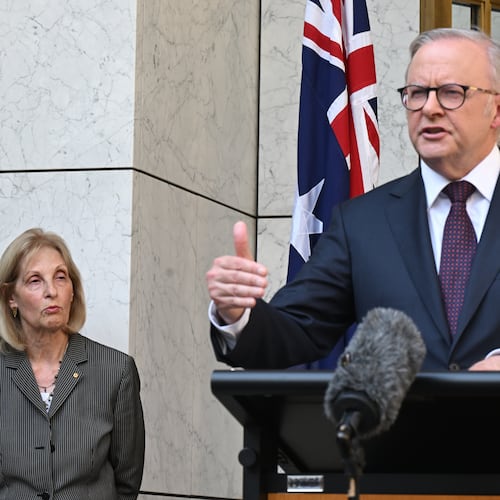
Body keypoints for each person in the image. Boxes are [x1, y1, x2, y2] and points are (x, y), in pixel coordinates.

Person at [206, 27, 500, 373]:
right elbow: (296, 329)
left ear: (496, 109)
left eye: (452, 93)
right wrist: (236, 313)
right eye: (417, 93)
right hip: (402, 427)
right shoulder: (363, 223)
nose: (429, 108)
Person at [0, 228, 145, 499]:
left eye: (60, 277)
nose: (51, 291)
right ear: (11, 297)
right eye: (35, 280)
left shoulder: (116, 372)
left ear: (73, 291)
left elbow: (127, 484)